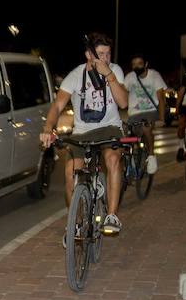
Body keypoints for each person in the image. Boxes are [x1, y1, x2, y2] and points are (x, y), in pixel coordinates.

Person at [39, 32, 129, 236]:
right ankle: (76, 223)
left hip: (109, 127)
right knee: (71, 172)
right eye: (100, 54)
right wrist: (48, 128)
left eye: (108, 53)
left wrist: (109, 75)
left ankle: (112, 216)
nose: (105, 58)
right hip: (82, 132)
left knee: (113, 158)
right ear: (89, 54)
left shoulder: (115, 70)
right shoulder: (75, 75)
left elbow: (123, 102)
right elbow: (58, 105)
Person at [122, 54, 168, 174]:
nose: (136, 66)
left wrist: (162, 119)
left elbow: (161, 98)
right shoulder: (130, 77)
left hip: (151, 111)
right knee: (125, 134)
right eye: (134, 64)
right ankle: (130, 161)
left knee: (146, 127)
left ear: (146, 64)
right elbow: (121, 93)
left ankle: (152, 155)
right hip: (134, 113)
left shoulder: (154, 76)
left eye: (140, 64)